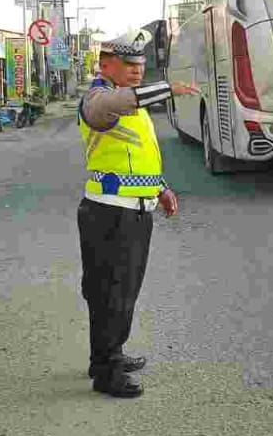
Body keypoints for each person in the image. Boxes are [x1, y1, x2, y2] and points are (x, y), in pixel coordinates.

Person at [76, 28, 197, 398]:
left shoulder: (133, 105)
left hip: (132, 210)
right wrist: (167, 89)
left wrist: (159, 187)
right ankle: (107, 372)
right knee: (112, 292)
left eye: (141, 64)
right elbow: (112, 106)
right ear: (105, 64)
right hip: (111, 213)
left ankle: (106, 356)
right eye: (128, 64)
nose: (135, 70)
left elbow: (135, 156)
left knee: (120, 290)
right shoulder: (98, 99)